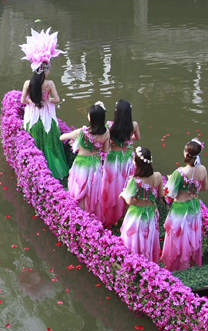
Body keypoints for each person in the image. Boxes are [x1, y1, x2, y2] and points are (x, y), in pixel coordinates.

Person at [19, 28, 68, 181]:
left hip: (33, 114)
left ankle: (36, 169)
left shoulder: (28, 83)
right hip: (46, 113)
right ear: (45, 71)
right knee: (50, 140)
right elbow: (57, 99)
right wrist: (47, 101)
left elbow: (22, 101)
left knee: (35, 138)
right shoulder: (49, 84)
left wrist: (33, 102)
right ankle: (54, 170)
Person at [162, 138, 208, 271]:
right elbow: (204, 187)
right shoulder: (203, 170)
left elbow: (168, 194)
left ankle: (177, 266)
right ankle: (191, 263)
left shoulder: (179, 173)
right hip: (194, 206)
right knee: (191, 236)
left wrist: (171, 180)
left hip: (180, 208)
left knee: (178, 237)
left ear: (186, 154)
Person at [60, 102, 109, 216]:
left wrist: (75, 142)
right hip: (95, 166)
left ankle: (78, 213)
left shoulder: (82, 132)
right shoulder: (106, 133)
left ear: (91, 118)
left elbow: (63, 137)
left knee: (78, 188)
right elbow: (105, 151)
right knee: (91, 191)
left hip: (81, 165)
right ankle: (89, 212)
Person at [120, 146, 164, 263]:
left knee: (134, 239)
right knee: (148, 237)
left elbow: (130, 201)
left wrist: (124, 194)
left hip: (136, 215)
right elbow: (160, 194)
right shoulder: (158, 176)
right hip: (150, 213)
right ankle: (148, 262)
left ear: (138, 163)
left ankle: (134, 263)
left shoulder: (135, 181)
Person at [100, 99, 140, 227]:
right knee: (125, 185)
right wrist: (128, 140)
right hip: (126, 160)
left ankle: (111, 214)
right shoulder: (133, 125)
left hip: (112, 159)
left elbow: (105, 141)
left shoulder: (109, 125)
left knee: (110, 186)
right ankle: (123, 213)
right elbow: (137, 138)